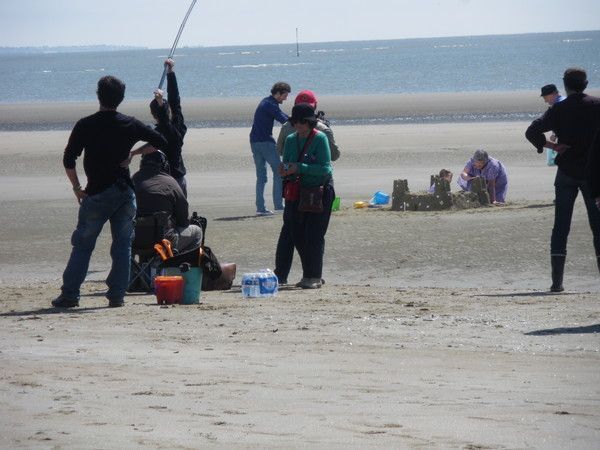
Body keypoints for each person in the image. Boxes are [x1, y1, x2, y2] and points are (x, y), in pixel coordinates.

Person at [52, 75, 168, 308]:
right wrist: (134, 154)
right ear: (121, 98)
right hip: (123, 192)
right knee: (122, 245)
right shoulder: (129, 123)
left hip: (97, 193)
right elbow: (161, 141)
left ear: (98, 95)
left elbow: (68, 159)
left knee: (84, 245)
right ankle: (117, 295)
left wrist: (77, 188)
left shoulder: (86, 124)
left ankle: (70, 294)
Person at [526, 67, 600, 292]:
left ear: (565, 86)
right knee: (597, 227)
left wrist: (553, 146)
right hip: (593, 173)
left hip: (566, 172)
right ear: (585, 84)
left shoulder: (559, 109)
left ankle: (556, 284)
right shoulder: (597, 105)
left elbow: (532, 132)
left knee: (561, 226)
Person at [275, 90, 340, 284]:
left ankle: (313, 276)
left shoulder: (320, 137)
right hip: (296, 192)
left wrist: (299, 167)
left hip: (319, 191)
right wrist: (285, 170)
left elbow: (326, 169)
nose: (299, 126)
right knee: (294, 234)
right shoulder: (290, 139)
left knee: (314, 235)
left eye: (303, 122)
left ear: (310, 122)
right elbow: (286, 162)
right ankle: (300, 274)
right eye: (296, 123)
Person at [132, 151, 202, 254]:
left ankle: (133, 269)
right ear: (165, 165)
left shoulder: (133, 180)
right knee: (197, 232)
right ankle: (180, 265)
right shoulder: (170, 182)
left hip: (135, 240)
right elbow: (183, 220)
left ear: (142, 164)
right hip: (164, 242)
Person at [249, 81, 291, 216]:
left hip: (254, 142)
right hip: (265, 142)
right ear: (278, 93)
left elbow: (282, 116)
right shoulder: (270, 104)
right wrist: (301, 120)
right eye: (285, 95)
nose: (285, 98)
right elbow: (284, 119)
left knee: (261, 176)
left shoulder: (266, 102)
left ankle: (260, 208)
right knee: (279, 171)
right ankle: (279, 205)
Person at [149, 58, 188, 196]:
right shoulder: (178, 123)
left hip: (165, 179)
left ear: (154, 114)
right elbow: (175, 100)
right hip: (178, 177)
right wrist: (170, 73)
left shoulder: (159, 132)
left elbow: (166, 121)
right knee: (180, 214)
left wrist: (160, 103)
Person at [276, 89, 340, 161]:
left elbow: (280, 151)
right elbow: (334, 156)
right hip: (317, 171)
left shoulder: (286, 126)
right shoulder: (323, 129)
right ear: (314, 106)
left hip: (293, 170)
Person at [540, 84, 566, 166]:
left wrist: (554, 134)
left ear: (553, 94)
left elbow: (563, 122)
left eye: (545, 97)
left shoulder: (559, 104)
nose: (545, 101)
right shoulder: (564, 100)